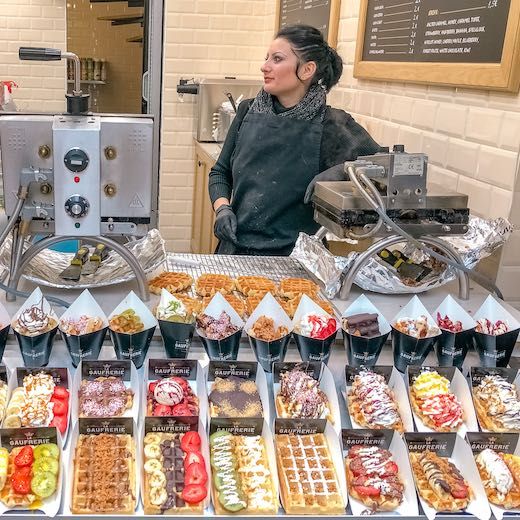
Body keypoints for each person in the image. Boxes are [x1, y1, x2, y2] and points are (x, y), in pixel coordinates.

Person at [208, 24, 380, 256]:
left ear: (307, 69)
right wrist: (222, 209)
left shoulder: (334, 125)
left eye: (277, 59)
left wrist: (345, 170)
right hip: (236, 248)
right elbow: (220, 172)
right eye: (266, 58)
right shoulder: (247, 112)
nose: (264, 66)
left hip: (298, 258)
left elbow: (388, 166)